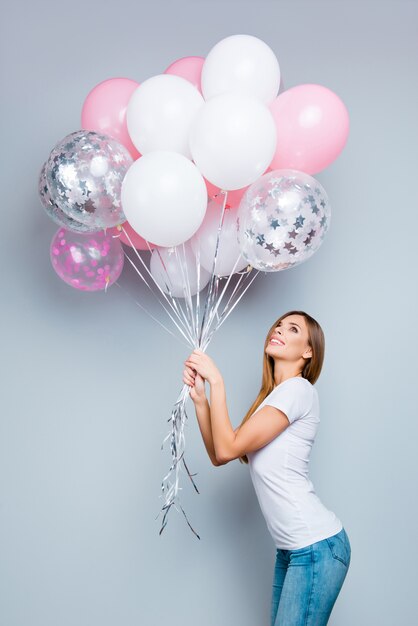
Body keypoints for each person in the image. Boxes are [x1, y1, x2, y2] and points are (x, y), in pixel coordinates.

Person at [183, 309, 351, 626]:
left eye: (292, 329)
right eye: (277, 324)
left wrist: (217, 381)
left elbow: (229, 446)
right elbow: (222, 454)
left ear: (308, 351)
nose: (278, 329)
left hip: (315, 547)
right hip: (293, 550)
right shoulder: (273, 398)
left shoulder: (298, 390)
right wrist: (201, 401)